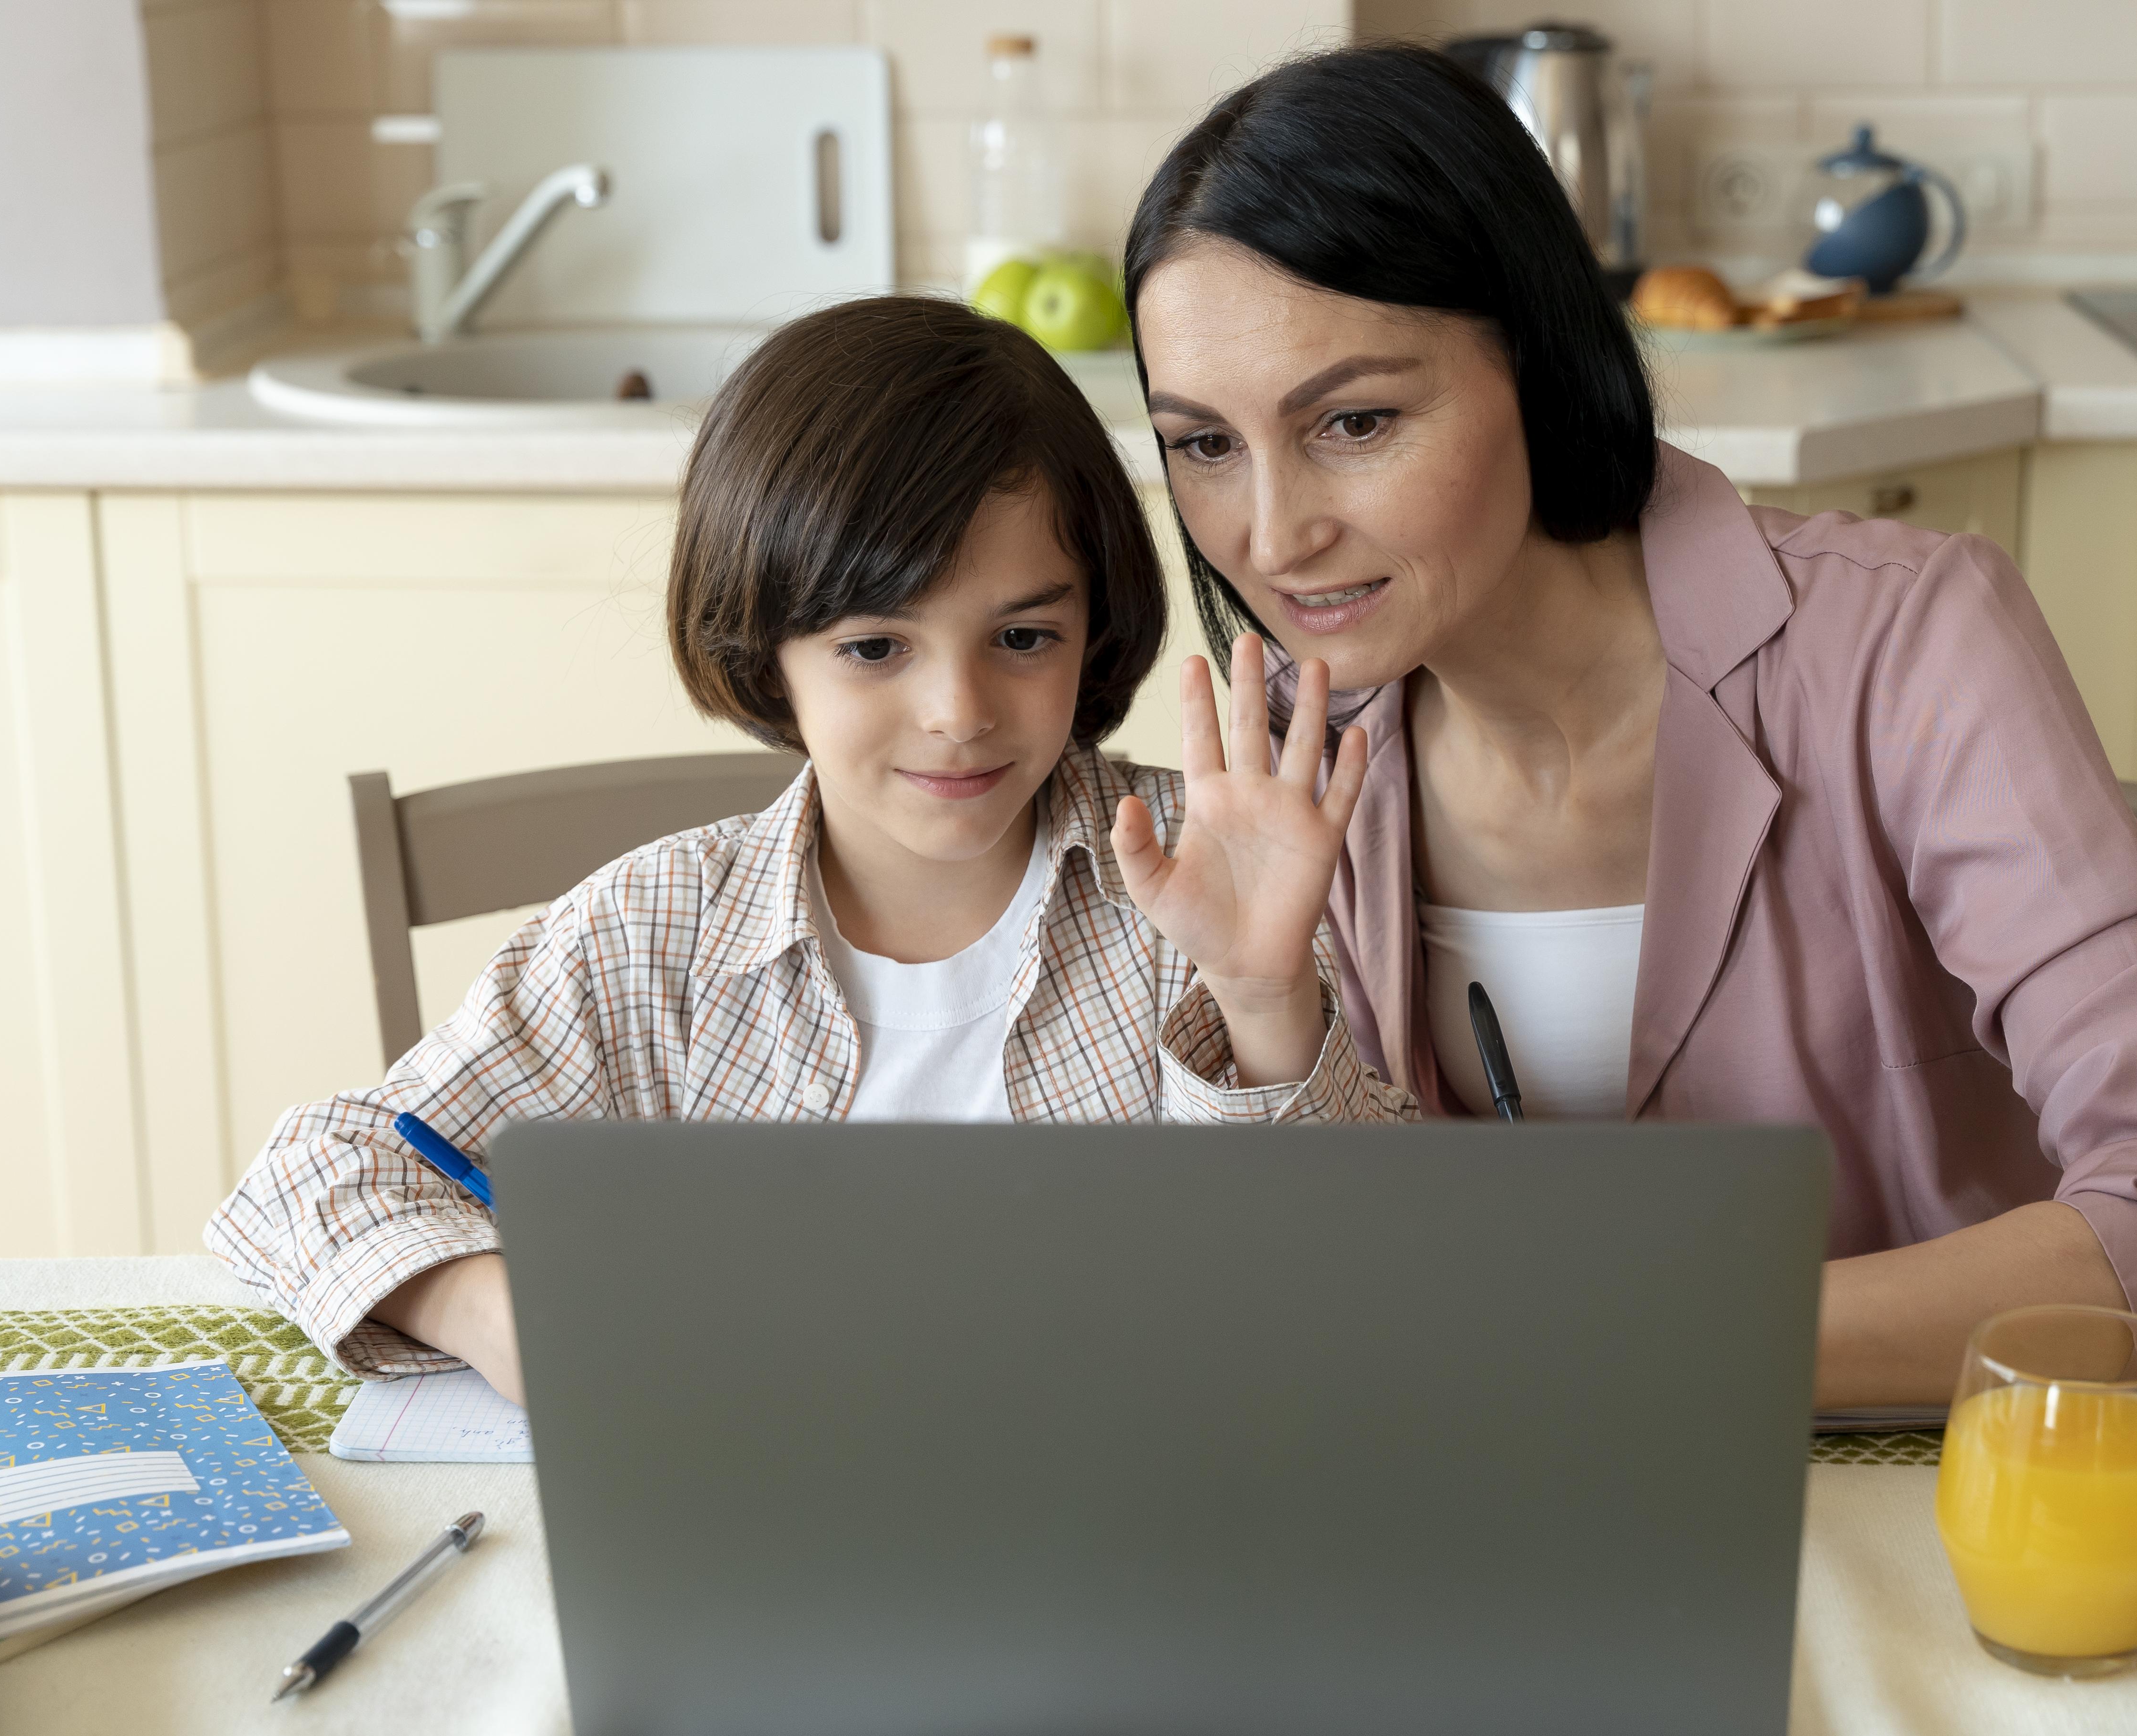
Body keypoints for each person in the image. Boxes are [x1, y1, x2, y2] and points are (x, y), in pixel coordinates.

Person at [1121, 45, 2137, 1403]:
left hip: (1962, 1481)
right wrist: (1269, 1016)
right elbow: (1353, 1297)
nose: (1273, 535)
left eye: (1354, 422)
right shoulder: (1292, 754)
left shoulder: (1905, 643)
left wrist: (1645, 1337)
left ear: (1537, 357)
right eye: (1204, 444)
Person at [207, 296, 1413, 1405]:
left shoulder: (1210, 876)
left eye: (1023, 637)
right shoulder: (650, 938)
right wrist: (495, 1309)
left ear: (1094, 627)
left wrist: (1265, 1001)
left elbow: (1368, 1289)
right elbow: (311, 1173)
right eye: (875, 648)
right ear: (763, 652)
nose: (958, 712)